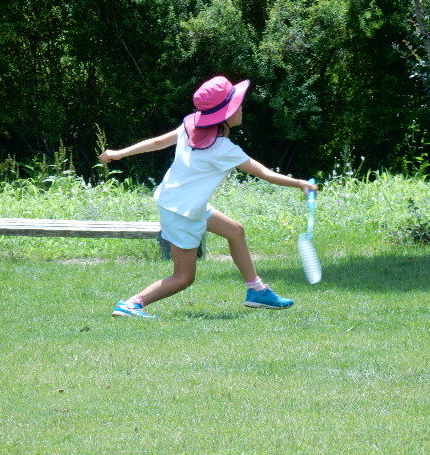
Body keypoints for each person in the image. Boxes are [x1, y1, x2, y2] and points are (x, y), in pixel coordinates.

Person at [99, 76, 317, 318]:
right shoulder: (224, 150)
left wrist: (120, 153)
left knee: (235, 230)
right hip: (181, 212)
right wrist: (299, 183)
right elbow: (264, 173)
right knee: (183, 277)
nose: (241, 108)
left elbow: (158, 142)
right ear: (225, 114)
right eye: (237, 105)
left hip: (181, 202)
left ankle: (257, 291)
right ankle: (131, 304)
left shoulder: (191, 124)